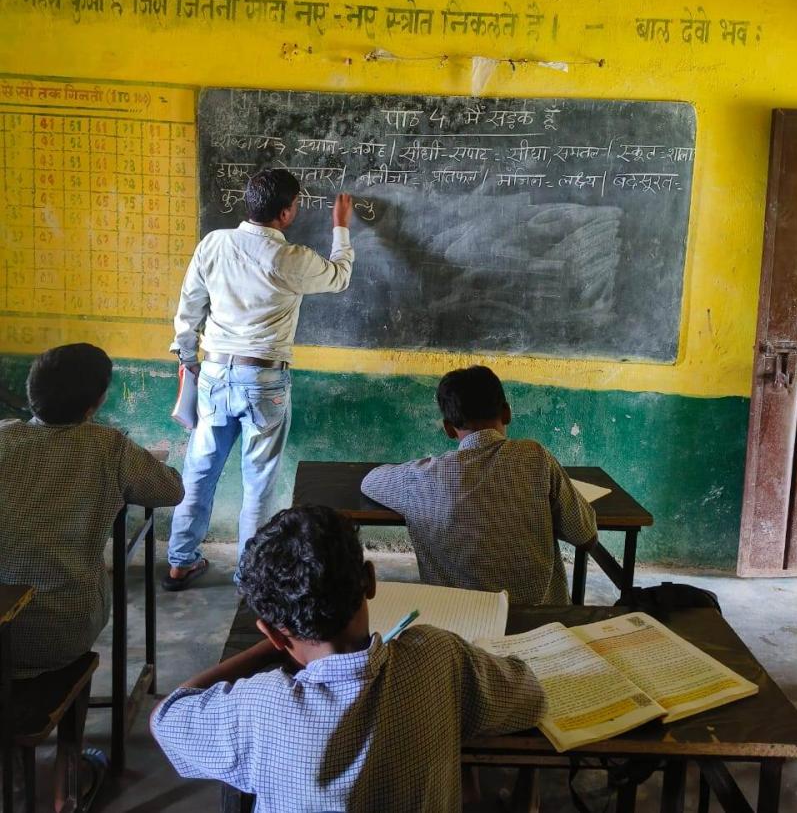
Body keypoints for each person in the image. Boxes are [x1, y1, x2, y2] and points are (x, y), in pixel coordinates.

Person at [152, 505, 545, 812]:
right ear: (370, 581)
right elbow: (530, 696)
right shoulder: (440, 657)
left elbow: (166, 716)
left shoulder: (259, 706)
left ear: (272, 633)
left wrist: (267, 649)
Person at [0, 343, 183, 810]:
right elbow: (170, 490)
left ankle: (17, 772)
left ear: (32, 392)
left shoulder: (3, 438)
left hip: (1, 626)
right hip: (60, 630)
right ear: (95, 403)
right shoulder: (108, 446)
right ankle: (70, 774)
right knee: (77, 609)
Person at [164, 168, 354, 590]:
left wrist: (189, 360)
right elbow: (340, 276)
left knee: (199, 472)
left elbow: (189, 308)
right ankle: (249, 575)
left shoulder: (213, 244)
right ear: (285, 213)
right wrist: (340, 228)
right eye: (296, 205)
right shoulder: (290, 259)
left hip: (214, 373)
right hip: (264, 380)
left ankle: (179, 562)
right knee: (259, 482)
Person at [361, 365, 598, 605]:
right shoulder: (536, 457)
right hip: (541, 621)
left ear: (448, 428)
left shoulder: (423, 477)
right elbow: (586, 536)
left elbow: (370, 481)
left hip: (460, 621)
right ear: (507, 413)